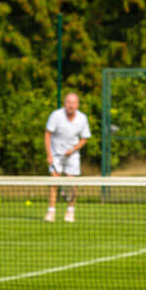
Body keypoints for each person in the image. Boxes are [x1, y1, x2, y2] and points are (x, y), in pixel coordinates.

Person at [44, 92, 90, 223]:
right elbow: (47, 134)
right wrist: (49, 155)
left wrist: (73, 150)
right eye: (68, 102)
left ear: (77, 105)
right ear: (64, 104)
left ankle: (70, 212)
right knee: (54, 182)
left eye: (73, 103)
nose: (71, 105)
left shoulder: (82, 118)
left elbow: (84, 138)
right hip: (56, 154)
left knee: (72, 183)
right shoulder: (55, 116)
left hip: (73, 155)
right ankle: (51, 212)